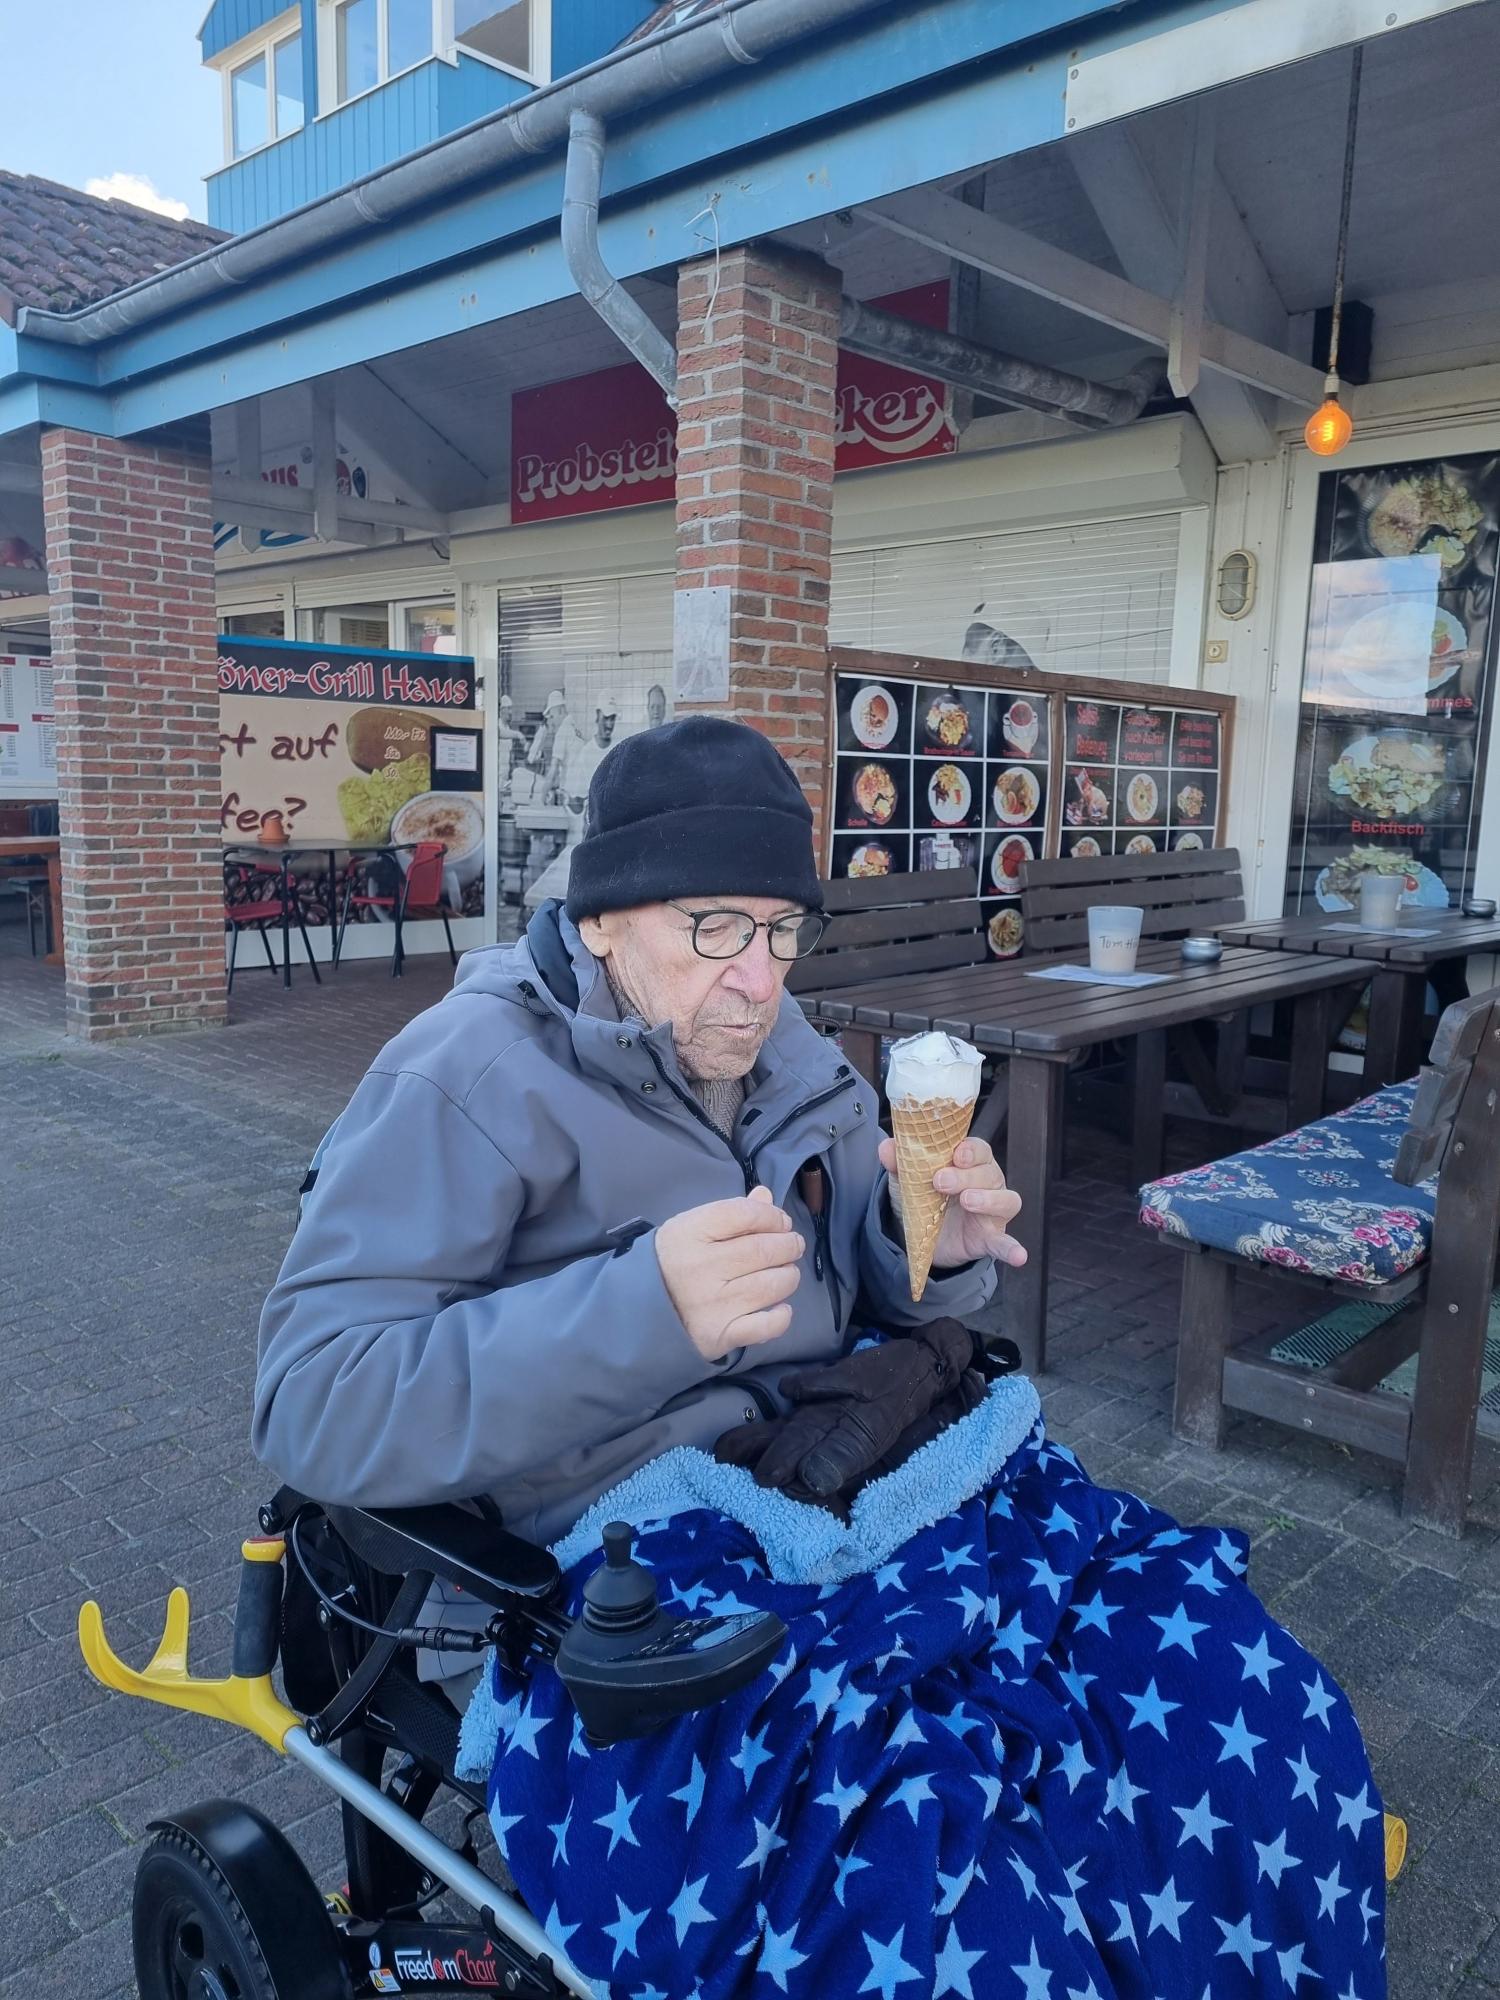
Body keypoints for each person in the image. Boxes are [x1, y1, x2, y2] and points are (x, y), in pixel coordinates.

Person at [254, 716, 1021, 1555]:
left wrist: (920, 1246)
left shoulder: (795, 1052)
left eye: (783, 929)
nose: (760, 981)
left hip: (827, 1466)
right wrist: (647, 1313)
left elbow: (863, 1294)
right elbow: (313, 1409)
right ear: (599, 922)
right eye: (715, 926)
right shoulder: (468, 1077)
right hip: (616, 1558)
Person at [554, 697, 619, 815]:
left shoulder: (620, 749)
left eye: (612, 718)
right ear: (597, 716)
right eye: (605, 718)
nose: (609, 724)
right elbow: (578, 805)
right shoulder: (586, 753)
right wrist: (566, 799)